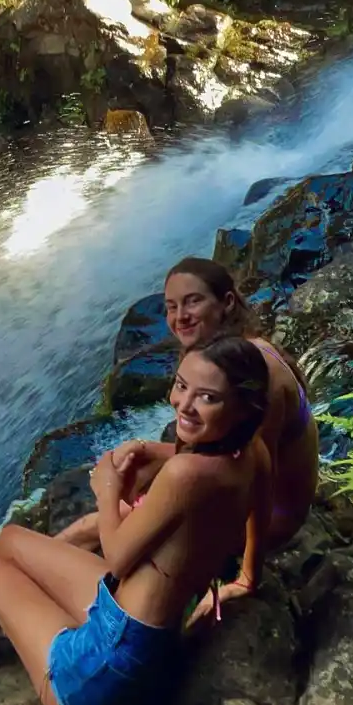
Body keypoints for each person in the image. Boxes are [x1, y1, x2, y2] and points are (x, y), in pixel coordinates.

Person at [0, 336, 271, 705]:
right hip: (152, 640)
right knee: (12, 541)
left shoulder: (185, 474)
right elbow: (255, 507)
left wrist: (107, 490)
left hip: (105, 674)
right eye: (181, 386)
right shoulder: (252, 453)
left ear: (242, 409)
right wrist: (250, 575)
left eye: (207, 398)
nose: (184, 405)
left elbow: (116, 557)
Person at [56, 257, 319, 623]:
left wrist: (246, 577)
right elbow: (230, 456)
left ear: (226, 303)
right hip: (247, 482)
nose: (180, 316)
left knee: (99, 522)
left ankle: (44, 575)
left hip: (276, 515)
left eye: (193, 301)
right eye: (171, 307)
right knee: (140, 462)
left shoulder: (257, 380)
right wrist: (152, 454)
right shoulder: (233, 354)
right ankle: (73, 561)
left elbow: (256, 476)